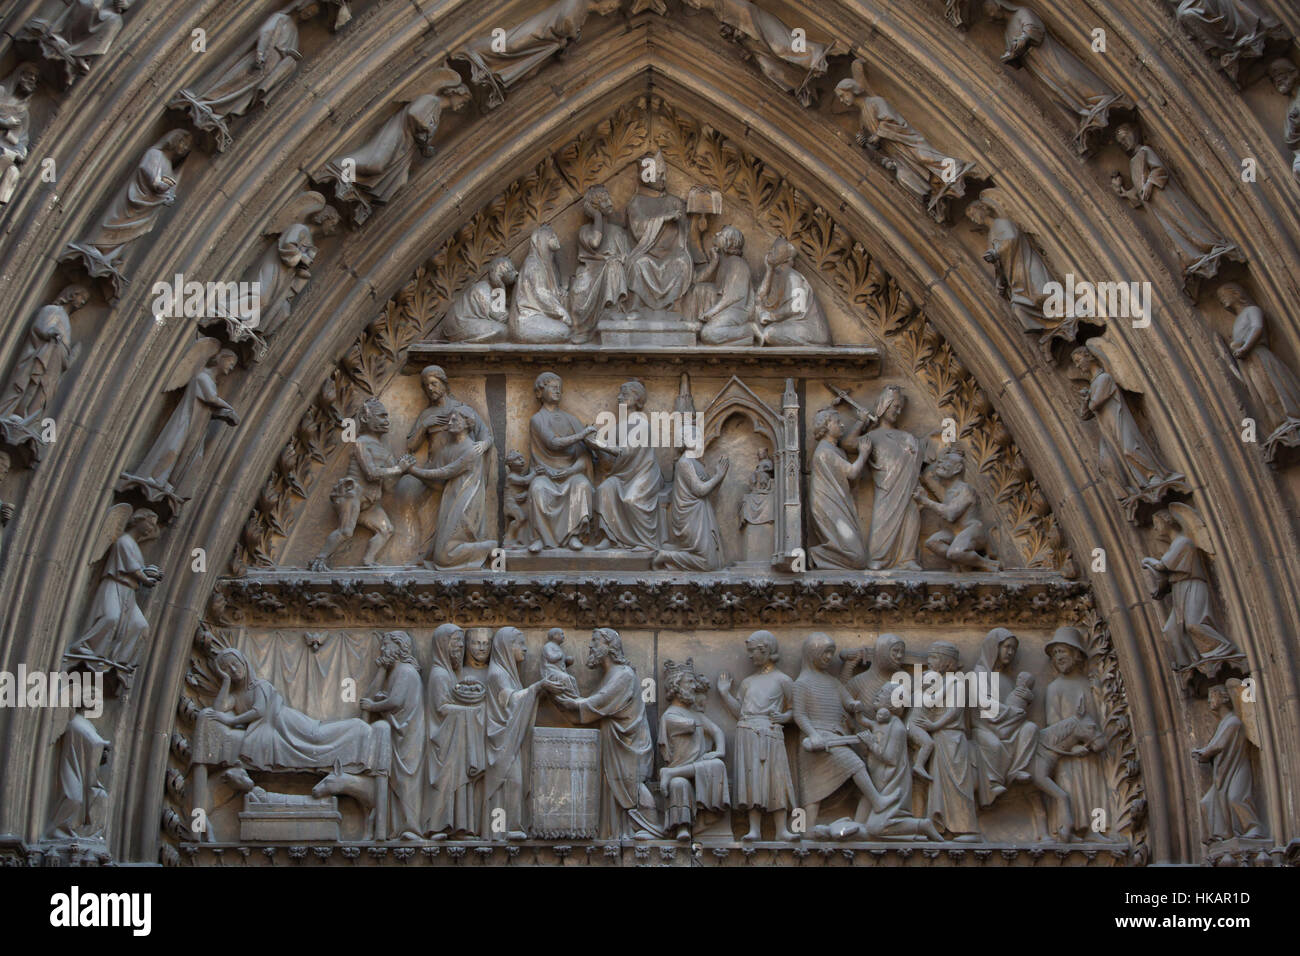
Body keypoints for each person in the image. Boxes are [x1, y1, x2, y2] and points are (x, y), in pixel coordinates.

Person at [551, 628, 656, 840]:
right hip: (615, 742)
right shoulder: (612, 675)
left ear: (609, 647)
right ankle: (618, 833)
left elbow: (597, 704)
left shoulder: (623, 675)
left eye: (595, 641)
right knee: (616, 785)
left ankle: (651, 826)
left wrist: (565, 700)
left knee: (630, 784)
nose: (590, 646)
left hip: (629, 743)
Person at [311, 398, 414, 569]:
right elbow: (371, 473)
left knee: (386, 529)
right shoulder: (361, 443)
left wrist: (405, 470)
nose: (386, 420)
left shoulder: (385, 451)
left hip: (370, 501)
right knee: (345, 531)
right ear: (366, 419)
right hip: (353, 495)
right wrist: (398, 469)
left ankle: (368, 560)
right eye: (381, 416)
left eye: (386, 416)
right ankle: (320, 559)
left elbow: (388, 486)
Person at [716, 630, 797, 841]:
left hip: (771, 733)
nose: (750, 656)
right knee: (752, 781)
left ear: (766, 650)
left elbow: (797, 711)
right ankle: (754, 829)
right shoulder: (747, 682)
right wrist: (725, 694)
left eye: (753, 651)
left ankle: (781, 830)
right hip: (747, 732)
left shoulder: (783, 680)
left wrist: (785, 717)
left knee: (776, 779)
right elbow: (739, 712)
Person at [909, 641, 981, 841]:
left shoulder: (957, 683)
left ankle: (968, 829)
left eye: (934, 658)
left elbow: (954, 711)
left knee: (958, 785)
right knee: (939, 785)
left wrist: (934, 725)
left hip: (952, 738)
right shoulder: (935, 683)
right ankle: (938, 825)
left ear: (947, 662)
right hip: (940, 740)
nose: (929, 662)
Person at [1042, 627, 1108, 841]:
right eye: (1055, 654)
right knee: (1071, 790)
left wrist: (1099, 694)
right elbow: (1053, 724)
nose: (1058, 657)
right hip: (1068, 754)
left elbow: (1100, 717)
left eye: (1062, 651)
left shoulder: (1087, 684)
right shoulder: (1055, 687)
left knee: (1094, 791)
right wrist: (1072, 746)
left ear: (1077, 654)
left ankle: (1096, 829)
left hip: (1091, 750)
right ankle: (1068, 830)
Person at [409, 408, 495, 570]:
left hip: (466, 500)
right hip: (451, 497)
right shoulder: (448, 448)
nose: (449, 423)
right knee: (442, 547)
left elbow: (446, 471)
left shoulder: (472, 449)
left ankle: (489, 546)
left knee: (444, 556)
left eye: (454, 420)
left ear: (467, 423)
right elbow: (436, 474)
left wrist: (413, 471)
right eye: (449, 419)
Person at [483, 627, 547, 840]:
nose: (526, 648)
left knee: (515, 781)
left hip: (510, 737)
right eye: (520, 643)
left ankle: (511, 826)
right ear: (506, 647)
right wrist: (537, 687)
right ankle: (504, 829)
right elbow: (510, 701)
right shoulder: (497, 674)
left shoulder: (508, 674)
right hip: (501, 739)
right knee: (512, 780)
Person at [423, 623, 485, 839]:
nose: (460, 648)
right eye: (456, 643)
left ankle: (461, 827)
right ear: (442, 645)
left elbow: (454, 696)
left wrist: (464, 683)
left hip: (456, 739)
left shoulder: (449, 674)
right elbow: (441, 708)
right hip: (444, 742)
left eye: (460, 644)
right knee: (447, 781)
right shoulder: (439, 674)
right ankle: (439, 826)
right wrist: (470, 712)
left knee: (461, 783)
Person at [360, 631, 424, 840]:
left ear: (399, 647)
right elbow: (376, 697)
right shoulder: (394, 672)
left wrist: (374, 705)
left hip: (407, 734)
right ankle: (399, 828)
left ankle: (411, 827)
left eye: (386, 645)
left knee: (406, 780)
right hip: (398, 732)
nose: (382, 650)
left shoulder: (405, 671)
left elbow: (395, 701)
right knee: (398, 780)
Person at [657, 659, 729, 841]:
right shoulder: (670, 716)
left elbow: (716, 731)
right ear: (676, 686)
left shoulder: (695, 714)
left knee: (718, 764)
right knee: (679, 784)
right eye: (689, 682)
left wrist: (719, 750)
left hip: (698, 768)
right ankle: (683, 828)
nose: (694, 686)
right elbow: (690, 726)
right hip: (684, 768)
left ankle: (670, 773)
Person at [525, 372, 596, 551]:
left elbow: (585, 451)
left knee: (582, 485)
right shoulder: (537, 419)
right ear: (540, 392)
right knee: (537, 488)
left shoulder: (571, 420)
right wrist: (582, 434)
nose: (557, 390)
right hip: (546, 474)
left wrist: (572, 470)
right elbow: (553, 443)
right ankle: (540, 537)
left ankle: (574, 534)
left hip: (571, 473)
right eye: (552, 386)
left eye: (559, 387)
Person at [970, 627, 1039, 808]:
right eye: (1006, 647)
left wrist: (1019, 709)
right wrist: (1011, 713)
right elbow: (984, 703)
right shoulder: (979, 673)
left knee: (1030, 728)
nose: (1010, 652)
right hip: (984, 728)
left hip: (1008, 728)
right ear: (994, 647)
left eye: (1013, 649)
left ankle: (1017, 771)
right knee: (993, 745)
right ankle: (992, 784)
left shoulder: (1008, 680)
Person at [591, 380, 663, 551]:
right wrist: (592, 445)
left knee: (632, 499)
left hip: (644, 474)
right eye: (619, 394)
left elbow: (627, 452)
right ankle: (610, 536)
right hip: (622, 475)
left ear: (637, 398)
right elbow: (608, 462)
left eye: (624, 394)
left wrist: (599, 445)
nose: (619, 397)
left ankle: (646, 542)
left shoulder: (642, 424)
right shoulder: (617, 428)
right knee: (604, 489)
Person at [652, 426, 727, 570]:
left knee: (715, 562)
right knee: (708, 563)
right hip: (690, 517)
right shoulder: (685, 462)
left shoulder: (697, 463)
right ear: (684, 440)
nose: (696, 438)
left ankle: (670, 554)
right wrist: (718, 476)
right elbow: (699, 490)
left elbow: (709, 493)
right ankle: (665, 556)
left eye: (697, 435)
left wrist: (720, 477)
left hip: (701, 514)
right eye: (691, 435)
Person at [808, 407, 870, 569]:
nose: (842, 425)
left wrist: (861, 422)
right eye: (838, 422)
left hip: (839, 503)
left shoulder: (835, 450)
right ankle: (815, 555)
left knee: (857, 556)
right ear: (826, 426)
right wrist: (864, 453)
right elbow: (852, 473)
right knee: (857, 558)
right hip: (829, 506)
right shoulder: (825, 452)